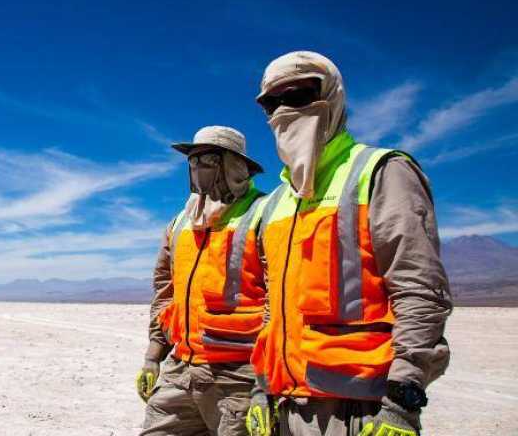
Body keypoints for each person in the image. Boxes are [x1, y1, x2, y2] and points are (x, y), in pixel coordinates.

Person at [244, 51, 452, 436]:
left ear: (332, 97)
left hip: (363, 411)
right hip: (285, 405)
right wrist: (262, 388)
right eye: (272, 103)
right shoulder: (276, 203)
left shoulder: (380, 172)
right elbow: (273, 307)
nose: (283, 110)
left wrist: (401, 402)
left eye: (300, 95)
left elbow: (420, 291)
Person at [137, 125, 268, 436]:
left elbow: (280, 300)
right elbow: (165, 292)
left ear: (233, 165)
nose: (197, 169)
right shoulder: (180, 223)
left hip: (239, 378)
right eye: (192, 161)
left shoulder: (264, 214)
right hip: (181, 369)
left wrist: (265, 386)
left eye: (207, 160)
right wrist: (153, 355)